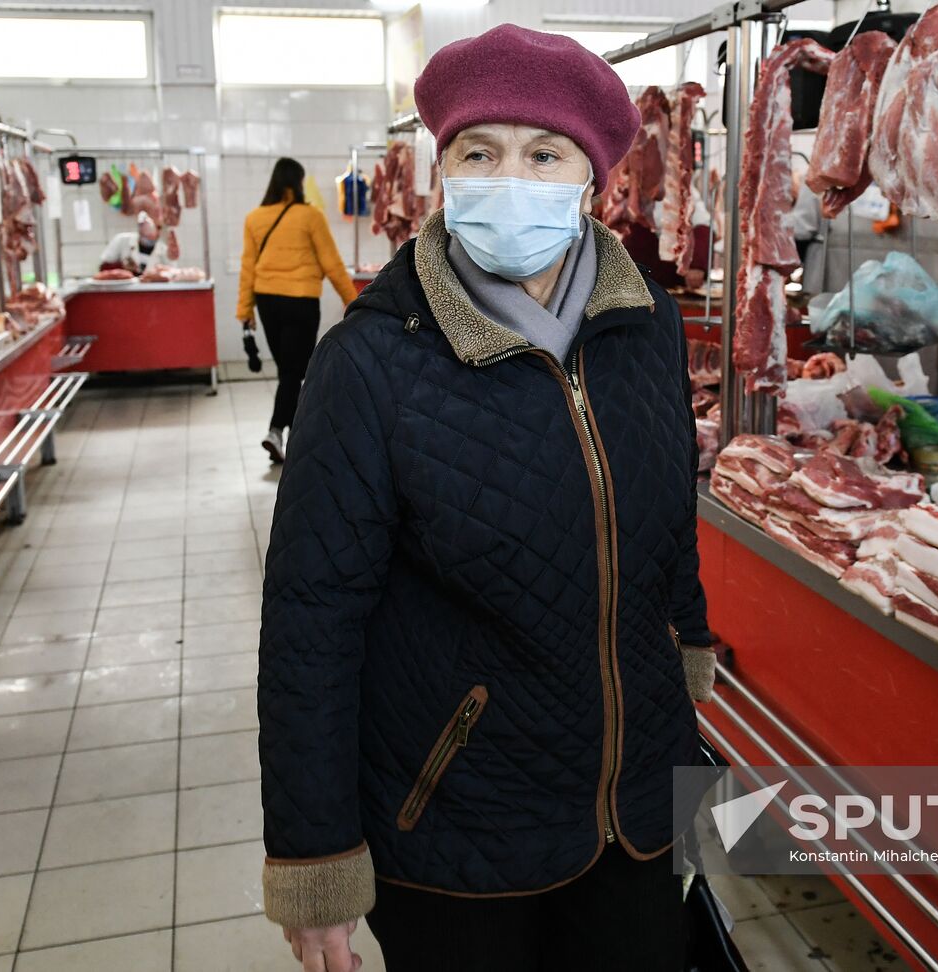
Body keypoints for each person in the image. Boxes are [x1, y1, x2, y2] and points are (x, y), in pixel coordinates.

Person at [257, 25, 713, 972]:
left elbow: (669, 540)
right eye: (480, 152)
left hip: (634, 814)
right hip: (456, 831)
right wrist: (316, 860)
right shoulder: (371, 361)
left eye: (544, 153)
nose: (512, 178)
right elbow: (311, 619)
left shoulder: (648, 327)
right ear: (445, 172)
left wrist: (684, 703)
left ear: (590, 178)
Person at [236, 157, 358, 463]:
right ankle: (277, 431)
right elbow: (332, 263)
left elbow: (248, 268)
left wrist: (245, 310)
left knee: (288, 371)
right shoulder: (310, 217)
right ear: (296, 183)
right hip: (301, 301)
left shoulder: (254, 218)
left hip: (267, 302)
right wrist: (354, 301)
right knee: (293, 371)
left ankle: (292, 436)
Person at [97, 211, 167, 274]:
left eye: (151, 238)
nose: (148, 241)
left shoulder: (163, 249)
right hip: (123, 287)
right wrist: (122, 266)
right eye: (145, 237)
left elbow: (171, 273)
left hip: (151, 287)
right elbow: (102, 267)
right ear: (139, 231)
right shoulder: (121, 240)